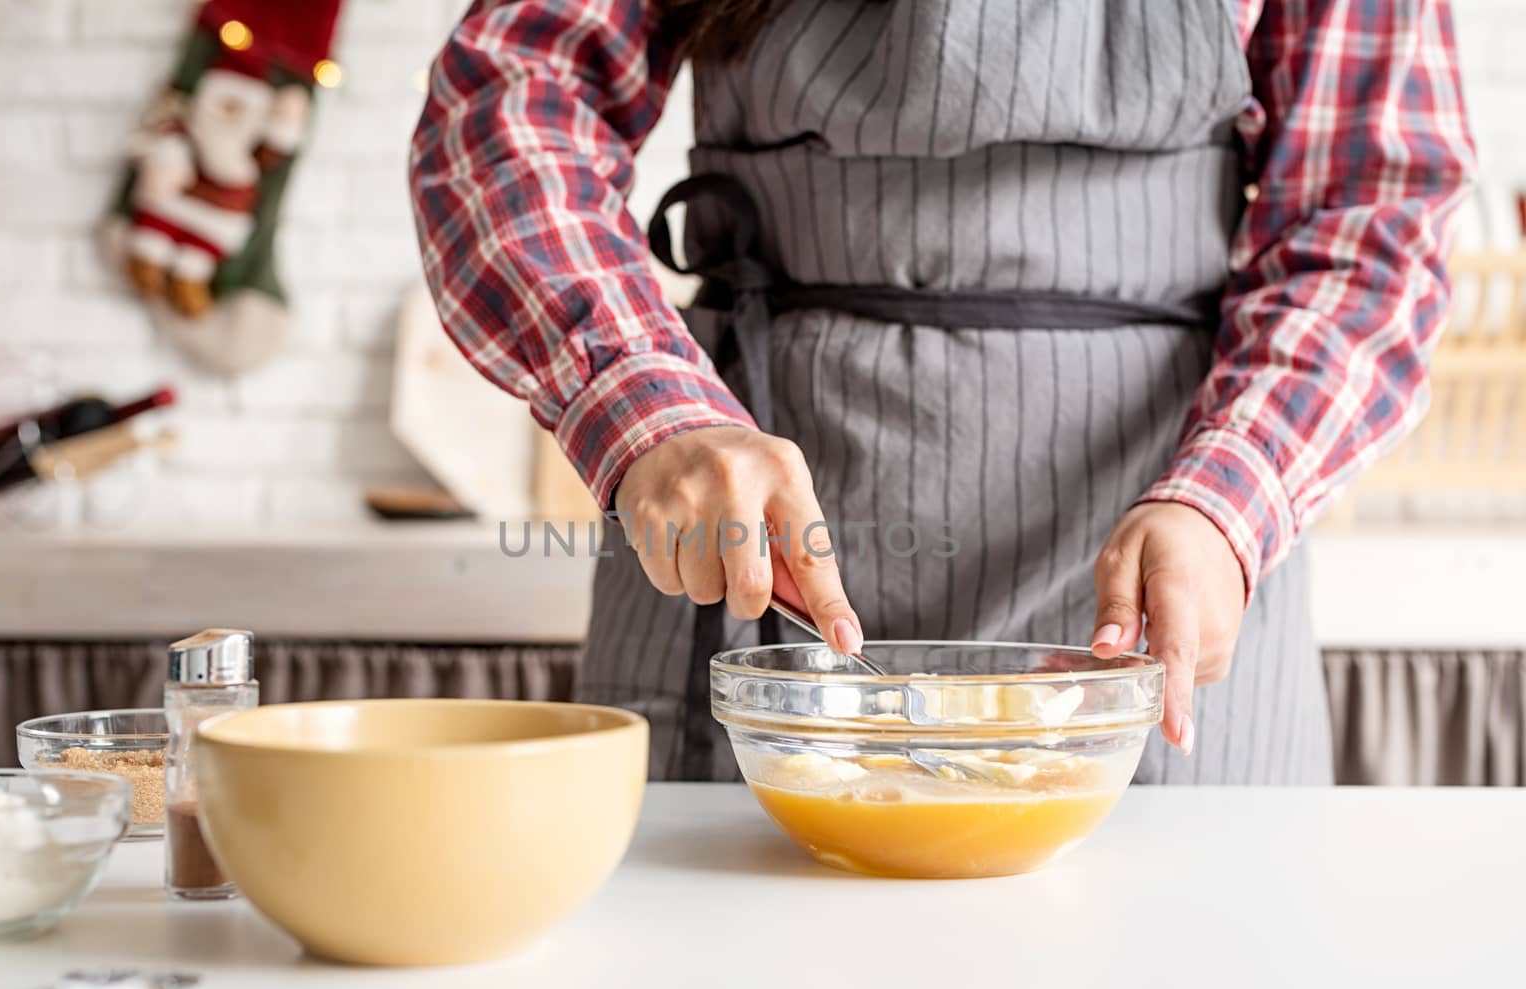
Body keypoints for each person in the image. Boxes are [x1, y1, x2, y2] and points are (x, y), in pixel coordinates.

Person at [410, 0, 1474, 782]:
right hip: (747, 546)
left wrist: (1226, 501)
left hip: (1177, 561)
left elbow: (1369, 217)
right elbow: (509, 101)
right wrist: (645, 406)